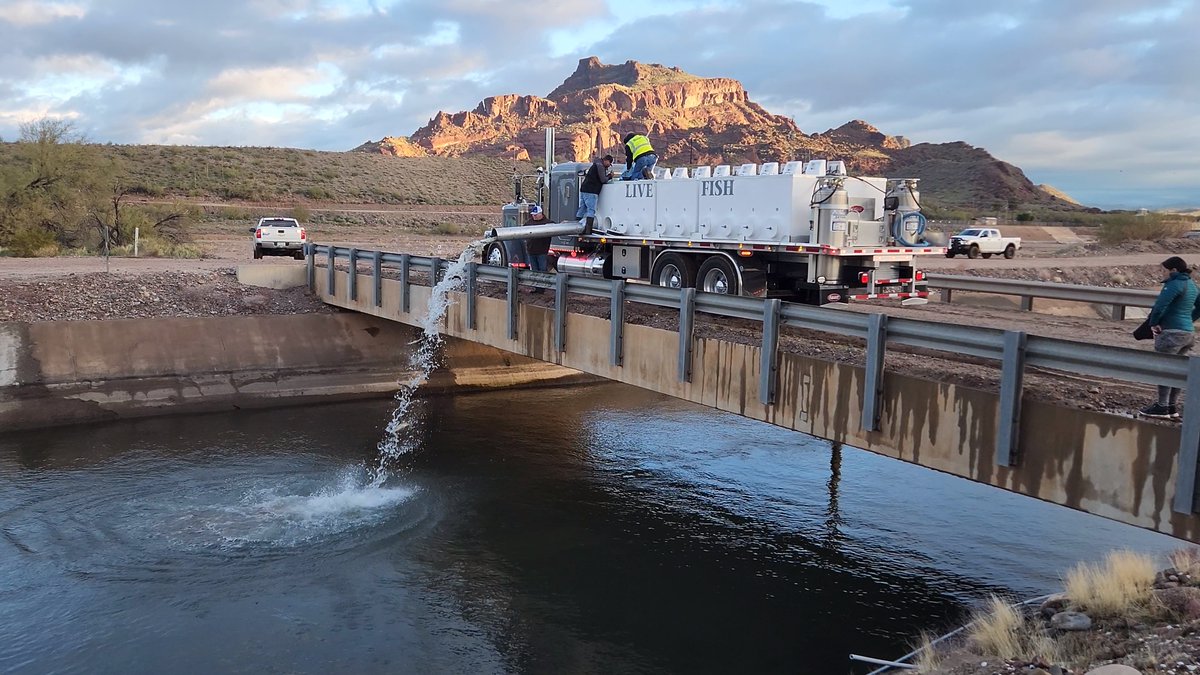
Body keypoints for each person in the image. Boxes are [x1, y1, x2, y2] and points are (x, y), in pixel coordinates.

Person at [1140, 255, 1200, 418]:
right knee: (1177, 371)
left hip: (1171, 333)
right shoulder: (1192, 284)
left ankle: (1161, 406)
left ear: (1173, 270)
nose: (1162, 273)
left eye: (1164, 270)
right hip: (1187, 334)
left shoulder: (1173, 285)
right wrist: (1190, 319)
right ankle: (1172, 407)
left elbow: (1159, 306)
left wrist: (1153, 323)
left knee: (1165, 369)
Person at [577, 154, 613, 235]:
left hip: (584, 189)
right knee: (591, 210)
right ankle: (588, 230)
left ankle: (576, 225)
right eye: (609, 164)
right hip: (591, 190)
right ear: (606, 160)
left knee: (582, 208)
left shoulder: (596, 164)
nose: (609, 166)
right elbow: (603, 180)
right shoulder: (600, 166)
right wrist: (609, 176)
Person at [525, 204, 551, 294]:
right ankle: (537, 288)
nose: (534, 216)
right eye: (533, 215)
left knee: (542, 269)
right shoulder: (529, 222)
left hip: (542, 251)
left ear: (541, 214)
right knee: (535, 270)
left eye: (535, 215)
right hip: (531, 251)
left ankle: (542, 288)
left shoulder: (548, 223)